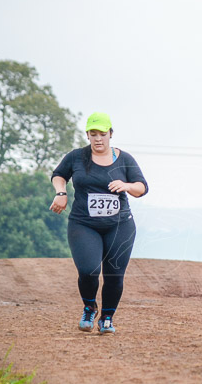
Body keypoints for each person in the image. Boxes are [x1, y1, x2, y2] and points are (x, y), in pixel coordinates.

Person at [50, 112, 148, 334]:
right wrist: (61, 192)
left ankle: (107, 318)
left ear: (110, 134)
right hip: (84, 224)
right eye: (93, 134)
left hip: (119, 225)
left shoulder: (125, 159)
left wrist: (126, 185)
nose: (98, 139)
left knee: (114, 274)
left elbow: (142, 187)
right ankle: (89, 307)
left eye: (102, 134)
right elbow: (59, 175)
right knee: (88, 270)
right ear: (87, 135)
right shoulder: (76, 157)